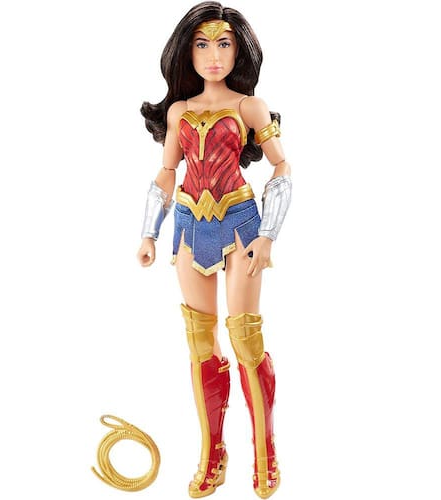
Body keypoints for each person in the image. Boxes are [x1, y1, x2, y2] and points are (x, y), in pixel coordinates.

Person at [136, 2, 292, 498]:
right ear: (187, 52)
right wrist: (149, 232)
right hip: (189, 226)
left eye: (223, 43)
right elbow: (167, 173)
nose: (213, 55)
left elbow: (282, 168)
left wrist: (268, 234)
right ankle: (212, 454)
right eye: (202, 44)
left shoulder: (250, 107)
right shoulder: (179, 111)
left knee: (245, 338)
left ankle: (265, 453)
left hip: (241, 223)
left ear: (238, 50)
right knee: (200, 343)